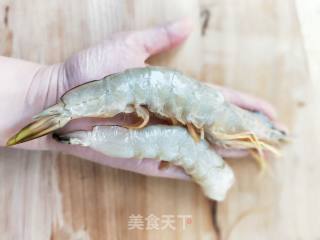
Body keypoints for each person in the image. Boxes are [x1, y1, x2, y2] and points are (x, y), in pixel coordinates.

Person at [0, 19, 278, 179]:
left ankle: (55, 112)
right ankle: (58, 112)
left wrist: (41, 93)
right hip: (132, 91)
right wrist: (45, 91)